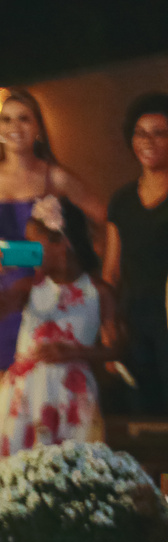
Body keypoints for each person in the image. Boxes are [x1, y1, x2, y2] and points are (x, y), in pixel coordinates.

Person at [0, 196, 119, 492]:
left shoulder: (98, 291)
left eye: (35, 244)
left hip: (72, 393)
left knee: (70, 472)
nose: (29, 251)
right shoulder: (30, 287)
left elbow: (117, 347)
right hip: (25, 393)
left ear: (63, 244)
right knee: (16, 463)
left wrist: (76, 352)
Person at [0, 88, 105, 376]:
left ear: (38, 127)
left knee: (50, 383)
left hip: (50, 301)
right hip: (2, 303)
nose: (14, 127)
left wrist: (97, 268)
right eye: (6, 119)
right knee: (6, 388)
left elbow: (105, 218)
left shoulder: (55, 177)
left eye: (23, 119)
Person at [104, 92, 168, 414]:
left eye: (159, 133)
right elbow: (111, 271)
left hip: (167, 316)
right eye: (141, 133)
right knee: (142, 411)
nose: (148, 141)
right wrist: (108, 324)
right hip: (134, 322)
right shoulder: (122, 200)